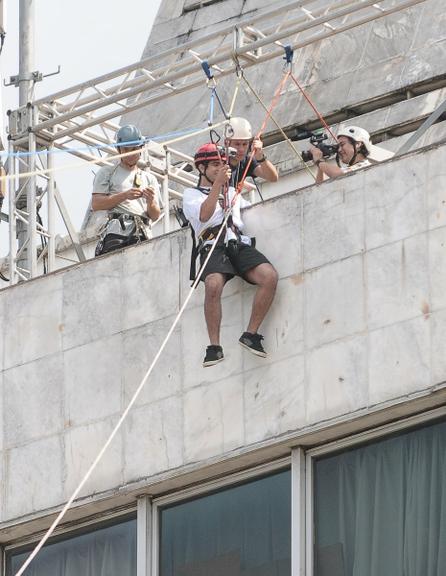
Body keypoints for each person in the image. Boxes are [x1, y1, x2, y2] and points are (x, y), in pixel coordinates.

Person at [183, 143, 278, 367]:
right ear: (202, 168)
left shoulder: (232, 192)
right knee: (213, 284)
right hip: (212, 243)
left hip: (235, 241)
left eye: (221, 164)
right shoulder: (191, 194)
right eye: (214, 164)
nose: (219, 168)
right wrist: (218, 185)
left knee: (269, 276)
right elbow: (205, 215)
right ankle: (214, 346)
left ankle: (251, 334)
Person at [92, 124, 161, 255]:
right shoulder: (107, 172)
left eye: (134, 149)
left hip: (142, 233)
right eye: (126, 150)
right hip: (117, 232)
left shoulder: (149, 178)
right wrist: (124, 196)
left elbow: (155, 215)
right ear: (119, 150)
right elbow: (96, 203)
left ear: (141, 148)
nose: (131, 154)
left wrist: (151, 201)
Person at [310, 125, 394, 183]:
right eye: (338, 146)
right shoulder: (350, 169)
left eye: (342, 145)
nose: (339, 150)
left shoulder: (365, 166)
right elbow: (319, 189)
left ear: (358, 144)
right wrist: (320, 165)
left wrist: (319, 160)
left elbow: (336, 174)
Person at [225, 117, 278, 188]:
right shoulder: (215, 160)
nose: (241, 149)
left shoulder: (247, 161)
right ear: (226, 143)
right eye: (237, 144)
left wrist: (260, 157)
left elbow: (273, 178)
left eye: (245, 144)